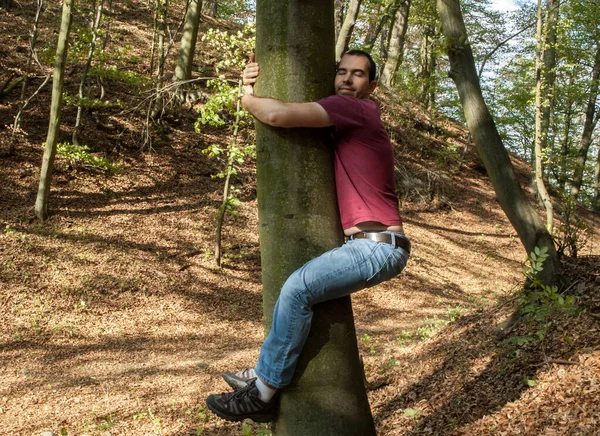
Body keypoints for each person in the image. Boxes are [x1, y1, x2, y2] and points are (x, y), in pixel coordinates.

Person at [205, 49, 410, 423]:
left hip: (377, 246)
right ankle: (261, 373)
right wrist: (249, 77)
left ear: (372, 85)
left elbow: (277, 115)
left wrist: (247, 96)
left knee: (297, 288)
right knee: (300, 290)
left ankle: (262, 393)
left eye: (358, 74)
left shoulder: (356, 110)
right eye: (341, 72)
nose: (347, 79)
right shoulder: (351, 120)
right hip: (370, 245)